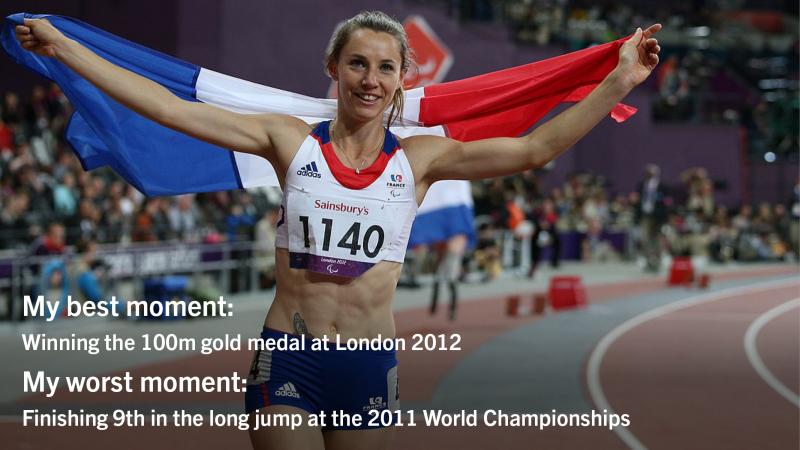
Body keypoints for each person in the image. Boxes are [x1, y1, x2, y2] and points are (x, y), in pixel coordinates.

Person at [15, 12, 661, 450]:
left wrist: (620, 81)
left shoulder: (420, 160)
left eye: (385, 68)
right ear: (334, 66)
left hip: (368, 364)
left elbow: (535, 150)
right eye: (358, 64)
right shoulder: (288, 140)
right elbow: (167, 107)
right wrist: (67, 49)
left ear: (403, 79)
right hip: (291, 357)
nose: (370, 80)